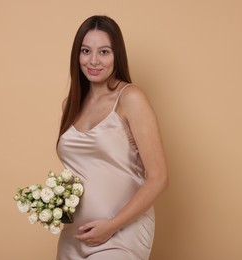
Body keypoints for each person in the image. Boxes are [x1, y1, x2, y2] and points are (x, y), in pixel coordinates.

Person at [56, 15, 168, 260]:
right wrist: (51, 203)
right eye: (86, 51)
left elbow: (159, 177)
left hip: (122, 232)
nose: (93, 60)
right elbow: (80, 171)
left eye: (104, 52)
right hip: (75, 233)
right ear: (77, 55)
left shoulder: (131, 98)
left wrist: (112, 225)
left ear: (117, 55)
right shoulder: (71, 104)